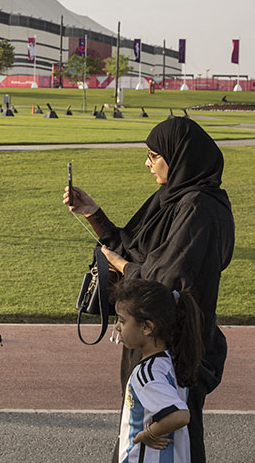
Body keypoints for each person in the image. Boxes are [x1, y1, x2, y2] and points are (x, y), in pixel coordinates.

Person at [64, 116, 234, 462]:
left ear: (179, 156)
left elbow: (167, 275)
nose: (148, 163)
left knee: (173, 441)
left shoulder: (199, 208)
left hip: (174, 344)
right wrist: (93, 214)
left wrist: (120, 266)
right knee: (138, 431)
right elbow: (138, 248)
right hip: (149, 336)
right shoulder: (172, 200)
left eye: (154, 156)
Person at [111, 279, 204, 463]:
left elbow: (179, 415)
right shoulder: (170, 361)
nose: (117, 327)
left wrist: (147, 435)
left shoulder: (147, 375)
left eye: (122, 320)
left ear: (147, 327)